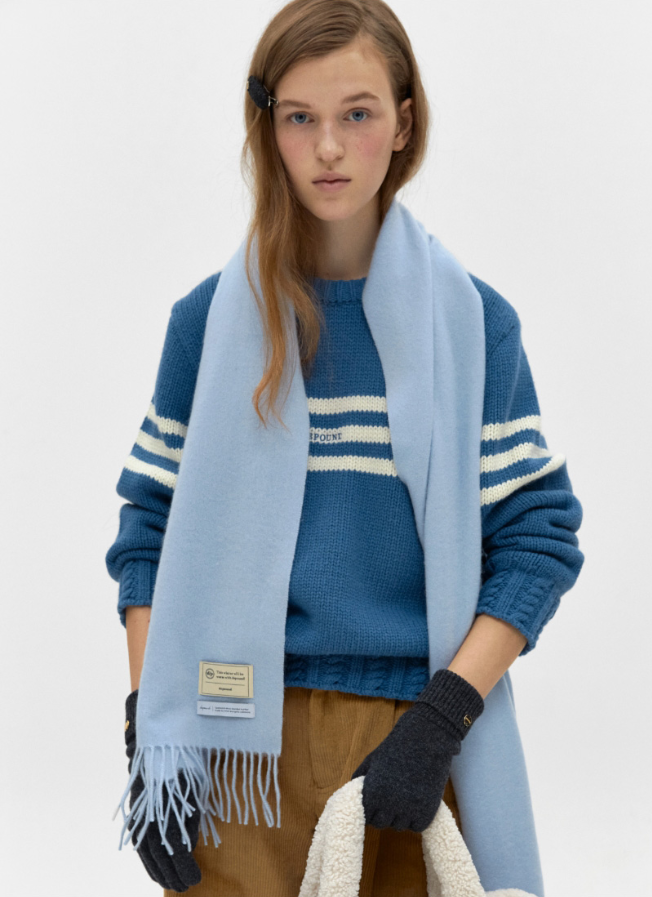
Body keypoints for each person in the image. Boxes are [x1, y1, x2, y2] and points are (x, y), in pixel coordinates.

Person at [105, 1, 585, 894]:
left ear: (404, 122)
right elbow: (148, 534)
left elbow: (539, 540)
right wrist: (147, 730)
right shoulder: (206, 326)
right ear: (269, 128)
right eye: (300, 117)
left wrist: (441, 720)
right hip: (233, 751)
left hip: (406, 747)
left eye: (356, 113)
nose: (328, 147)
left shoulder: (475, 327)